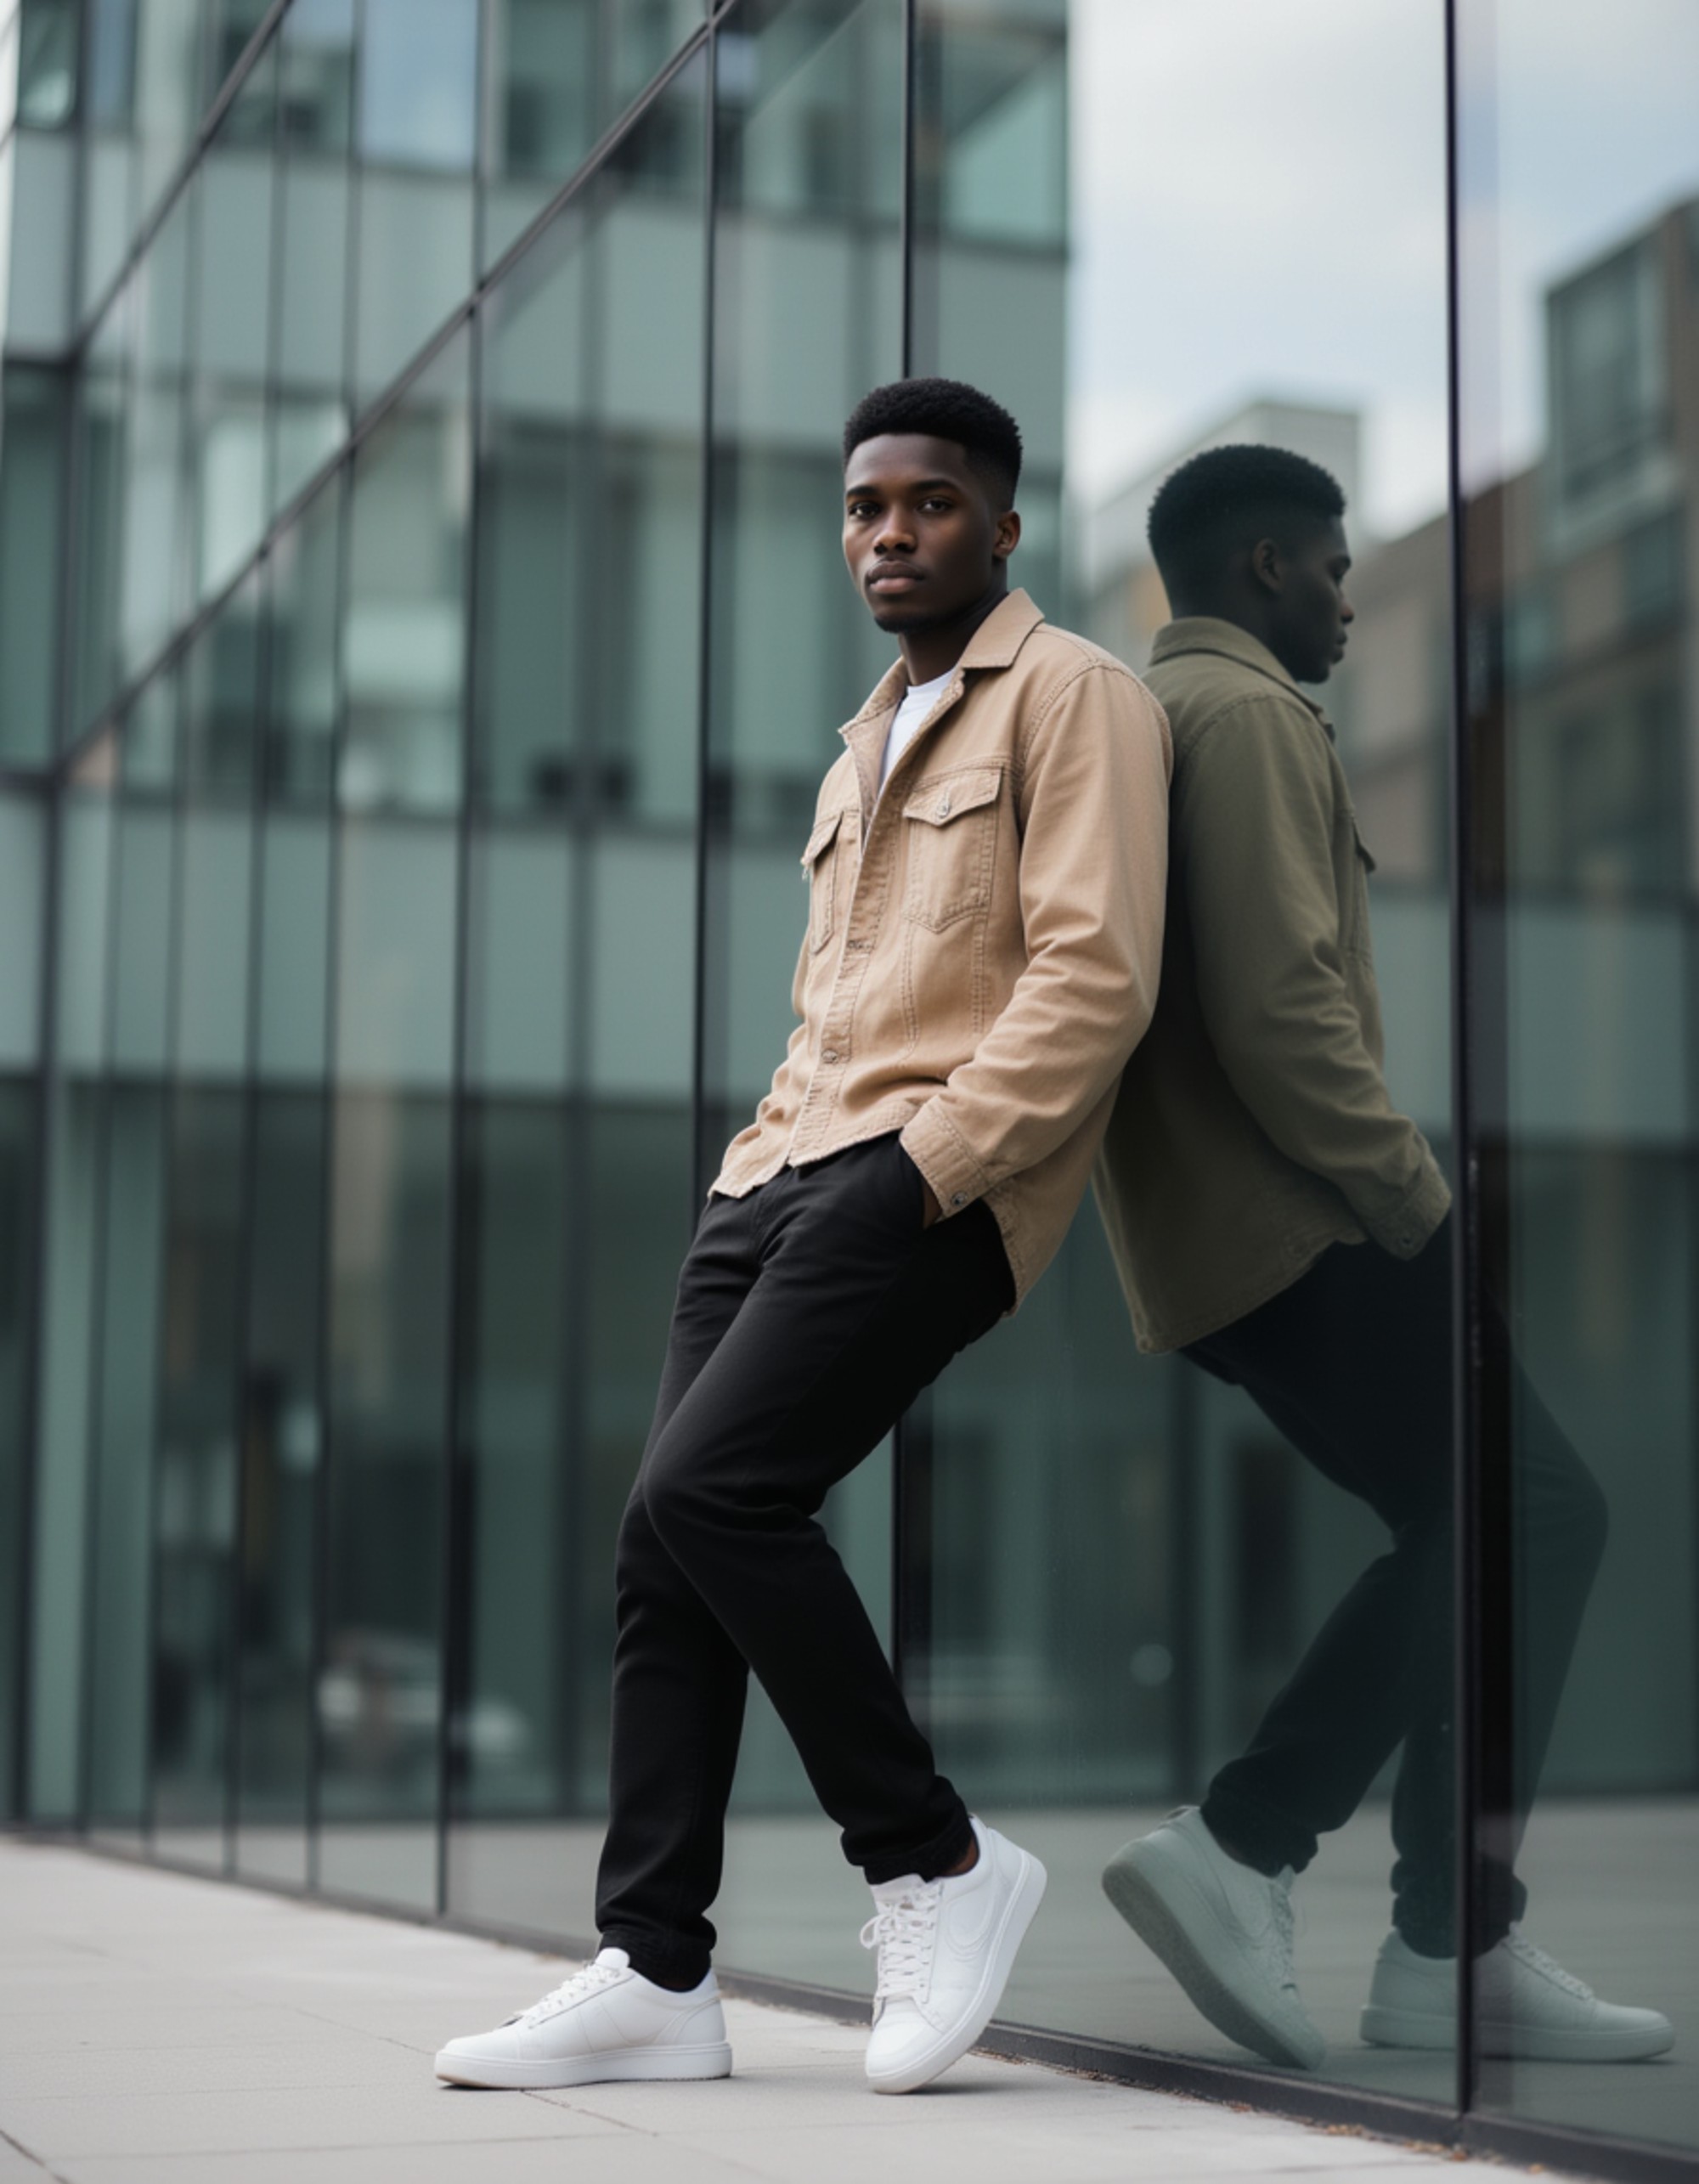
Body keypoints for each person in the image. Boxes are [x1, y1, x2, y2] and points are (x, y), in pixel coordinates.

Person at [435, 378, 1172, 2097]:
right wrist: (752, 1170)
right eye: (862, 508)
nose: (886, 534)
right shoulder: (866, 740)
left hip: (931, 1180)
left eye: (924, 504)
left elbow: (1092, 978)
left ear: (1001, 519)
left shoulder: (1078, 700)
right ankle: (657, 1969)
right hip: (778, 1167)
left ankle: (931, 1854)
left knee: (717, 1493)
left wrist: (924, 1167)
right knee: (660, 1541)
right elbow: (832, 998)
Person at [1093, 444, 1672, 2071]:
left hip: (1226, 1231)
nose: (1352, 603)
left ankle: (1449, 1947)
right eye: (1340, 573)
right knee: (1535, 1510)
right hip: (1308, 1215)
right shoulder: (1254, 718)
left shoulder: (1158, 718)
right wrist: (1419, 1199)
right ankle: (1255, 1844)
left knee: (1481, 1521)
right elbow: (1285, 1014)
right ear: (1272, 567)